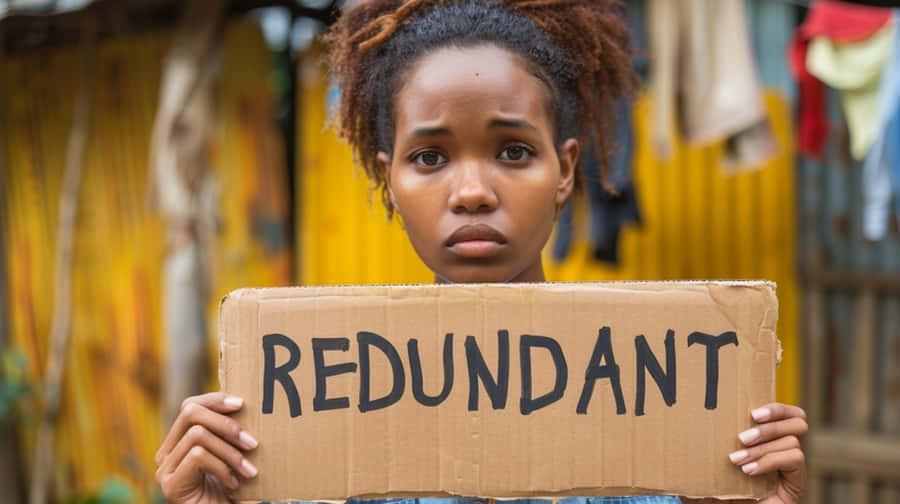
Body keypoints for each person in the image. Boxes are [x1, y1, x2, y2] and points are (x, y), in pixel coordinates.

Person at [154, 1, 808, 503]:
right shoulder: (306, 428)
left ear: (565, 170)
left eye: (513, 151)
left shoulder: (669, 411)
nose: (471, 192)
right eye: (429, 157)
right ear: (389, 178)